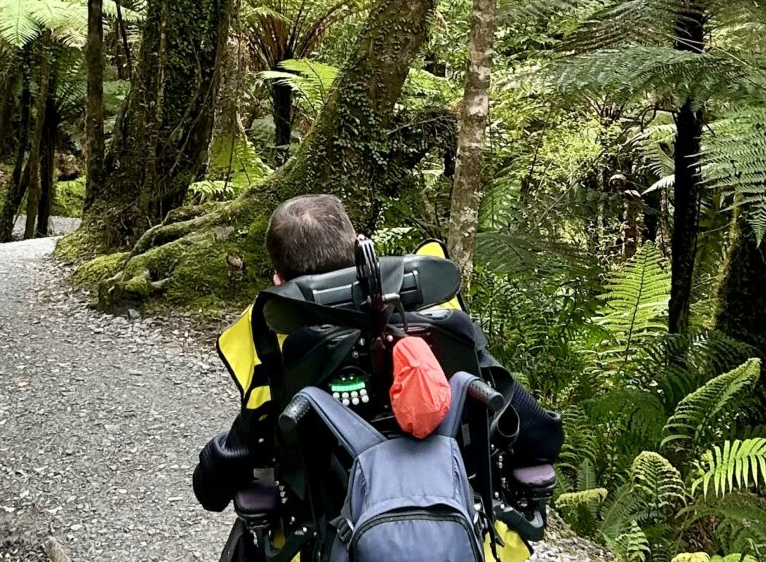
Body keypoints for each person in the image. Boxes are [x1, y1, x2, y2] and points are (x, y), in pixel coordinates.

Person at [192, 192, 563, 513]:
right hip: (453, 515)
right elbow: (540, 435)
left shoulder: (287, 355)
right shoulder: (438, 331)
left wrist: (213, 467)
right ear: (362, 249)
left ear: (279, 282)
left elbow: (223, 474)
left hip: (338, 541)